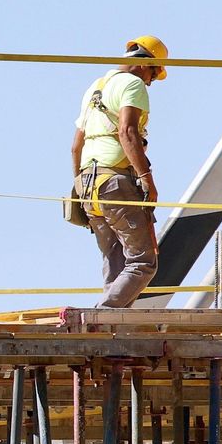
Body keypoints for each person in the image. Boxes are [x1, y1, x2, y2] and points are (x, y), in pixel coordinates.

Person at [71, 35, 169, 308]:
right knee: (143, 263)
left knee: (116, 261)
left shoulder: (96, 87)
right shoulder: (133, 83)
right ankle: (101, 317)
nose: (150, 81)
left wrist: (79, 189)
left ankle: (111, 330)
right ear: (144, 65)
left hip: (88, 184)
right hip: (114, 182)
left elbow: (75, 145)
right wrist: (146, 178)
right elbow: (127, 132)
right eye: (153, 73)